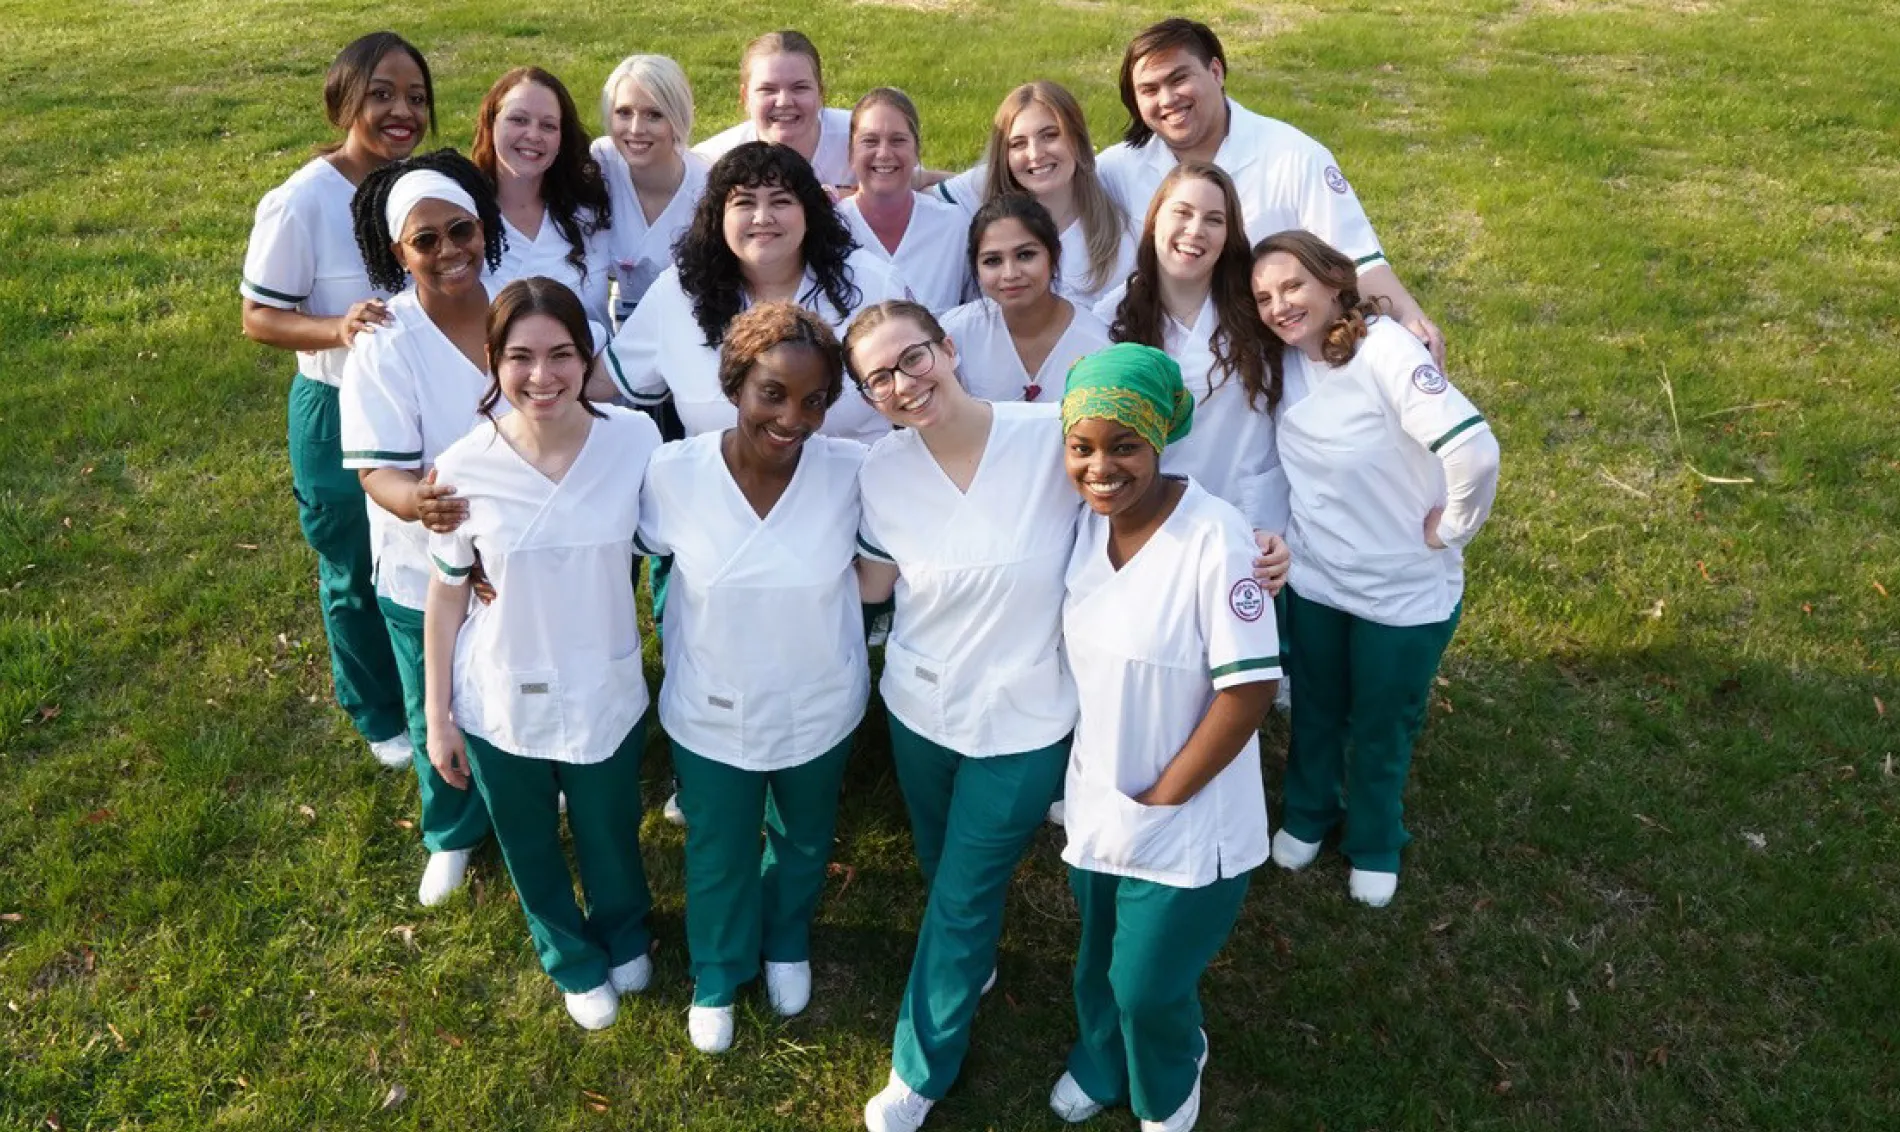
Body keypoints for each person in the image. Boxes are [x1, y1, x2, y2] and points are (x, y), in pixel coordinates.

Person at [845, 301, 1078, 1131]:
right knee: (938, 856)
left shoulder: (1052, 436)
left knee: (961, 894)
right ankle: (970, 964)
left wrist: (1251, 547)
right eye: (879, 378)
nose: (903, 385)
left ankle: (919, 1068)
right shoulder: (879, 472)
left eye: (912, 359)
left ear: (946, 348)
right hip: (918, 705)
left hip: (1024, 716)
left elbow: (1147, 495)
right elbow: (872, 587)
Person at [1050, 343, 1281, 1132]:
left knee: (1148, 984)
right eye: (1081, 448)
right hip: (1099, 792)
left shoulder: (1215, 540)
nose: (1100, 468)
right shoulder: (1085, 528)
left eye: (1124, 447)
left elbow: (1248, 688)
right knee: (1097, 961)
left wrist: (1167, 794)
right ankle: (1099, 1060)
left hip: (1187, 812)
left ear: (1159, 440)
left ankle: (1171, 1083)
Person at [423, 278, 663, 1031]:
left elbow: (671, 548)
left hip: (604, 678)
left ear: (587, 358)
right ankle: (569, 955)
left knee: (611, 827)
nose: (542, 376)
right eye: (521, 357)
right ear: (492, 361)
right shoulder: (462, 466)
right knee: (529, 838)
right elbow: (447, 594)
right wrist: (438, 716)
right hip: (500, 687)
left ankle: (625, 929)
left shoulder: (635, 440)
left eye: (562, 354)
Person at [633, 303, 869, 1055]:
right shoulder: (674, 474)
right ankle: (715, 969)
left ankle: (787, 941)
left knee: (802, 839)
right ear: (735, 385)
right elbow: (625, 550)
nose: (793, 418)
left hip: (819, 699)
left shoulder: (855, 475)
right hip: (711, 706)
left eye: (813, 401)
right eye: (773, 393)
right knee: (718, 845)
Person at [1251, 231, 1499, 908]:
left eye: (1294, 286)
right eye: (1265, 296)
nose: (1280, 305)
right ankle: (1306, 813)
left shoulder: (1385, 350)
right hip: (1319, 580)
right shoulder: (1280, 364)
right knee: (1317, 707)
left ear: (1336, 283)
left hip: (1402, 593)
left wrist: (1451, 528)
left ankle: (1375, 837)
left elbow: (1473, 450)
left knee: (1385, 722)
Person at [239, 31, 433, 772]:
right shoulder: (300, 201)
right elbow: (259, 316)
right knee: (353, 567)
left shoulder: (413, 183)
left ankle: (434, 690)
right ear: (344, 97)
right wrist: (336, 326)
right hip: (335, 407)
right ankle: (378, 710)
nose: (401, 111)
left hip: (419, 405)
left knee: (419, 559)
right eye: (381, 93)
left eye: (415, 98)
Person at [339, 149, 506, 907]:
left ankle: (527, 792)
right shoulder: (384, 341)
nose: (449, 251)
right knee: (431, 698)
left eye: (460, 229)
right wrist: (421, 504)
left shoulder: (523, 311)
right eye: (425, 240)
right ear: (397, 253)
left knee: (517, 686)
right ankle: (453, 830)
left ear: (483, 228)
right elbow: (377, 474)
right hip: (422, 564)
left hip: (517, 562)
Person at [1098, 17, 1445, 364]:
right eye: (1149, 89)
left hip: (1270, 366)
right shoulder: (1117, 168)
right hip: (1158, 365)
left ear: (1216, 73)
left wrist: (1406, 317)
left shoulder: (1295, 157)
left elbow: (1354, 259)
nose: (1168, 99)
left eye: (1179, 78)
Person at [594, 141, 902, 445]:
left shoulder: (873, 284)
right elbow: (601, 382)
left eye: (780, 201)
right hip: (715, 490)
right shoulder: (678, 292)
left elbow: (925, 383)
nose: (762, 217)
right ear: (718, 217)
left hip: (853, 487)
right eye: (744, 203)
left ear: (809, 213)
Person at [1097, 162, 1286, 536]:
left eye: (1214, 220)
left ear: (1228, 236)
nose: (1195, 230)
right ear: (1154, 222)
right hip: (1158, 523)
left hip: (1254, 525)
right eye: (1182, 213)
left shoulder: (1259, 307)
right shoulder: (1109, 320)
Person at [933, 81, 1135, 310]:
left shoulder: (1119, 238)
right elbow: (907, 192)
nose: (1035, 154)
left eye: (1049, 136)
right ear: (1004, 156)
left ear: (1077, 140)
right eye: (1018, 144)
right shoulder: (980, 191)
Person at [938, 193, 1111, 405]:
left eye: (1025, 255)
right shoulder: (955, 334)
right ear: (976, 268)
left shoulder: (1098, 346)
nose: (1010, 274)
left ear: (1054, 255)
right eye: (993, 261)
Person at [473, 67, 613, 324]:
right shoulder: (461, 218)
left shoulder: (590, 213)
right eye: (518, 120)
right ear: (491, 123)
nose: (533, 135)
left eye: (548, 126)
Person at [591, 54, 709, 327]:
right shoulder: (601, 164)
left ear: (677, 119)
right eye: (623, 113)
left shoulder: (707, 189)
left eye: (654, 115)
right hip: (619, 331)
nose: (636, 129)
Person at [836, 88, 967, 313]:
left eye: (898, 140)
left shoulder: (954, 227)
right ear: (850, 153)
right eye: (870, 141)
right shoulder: (831, 229)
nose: (884, 153)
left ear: (917, 151)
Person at [693, 30, 855, 190]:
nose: (784, 102)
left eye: (799, 87)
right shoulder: (713, 162)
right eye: (768, 89)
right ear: (745, 97)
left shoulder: (862, 139)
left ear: (821, 92)